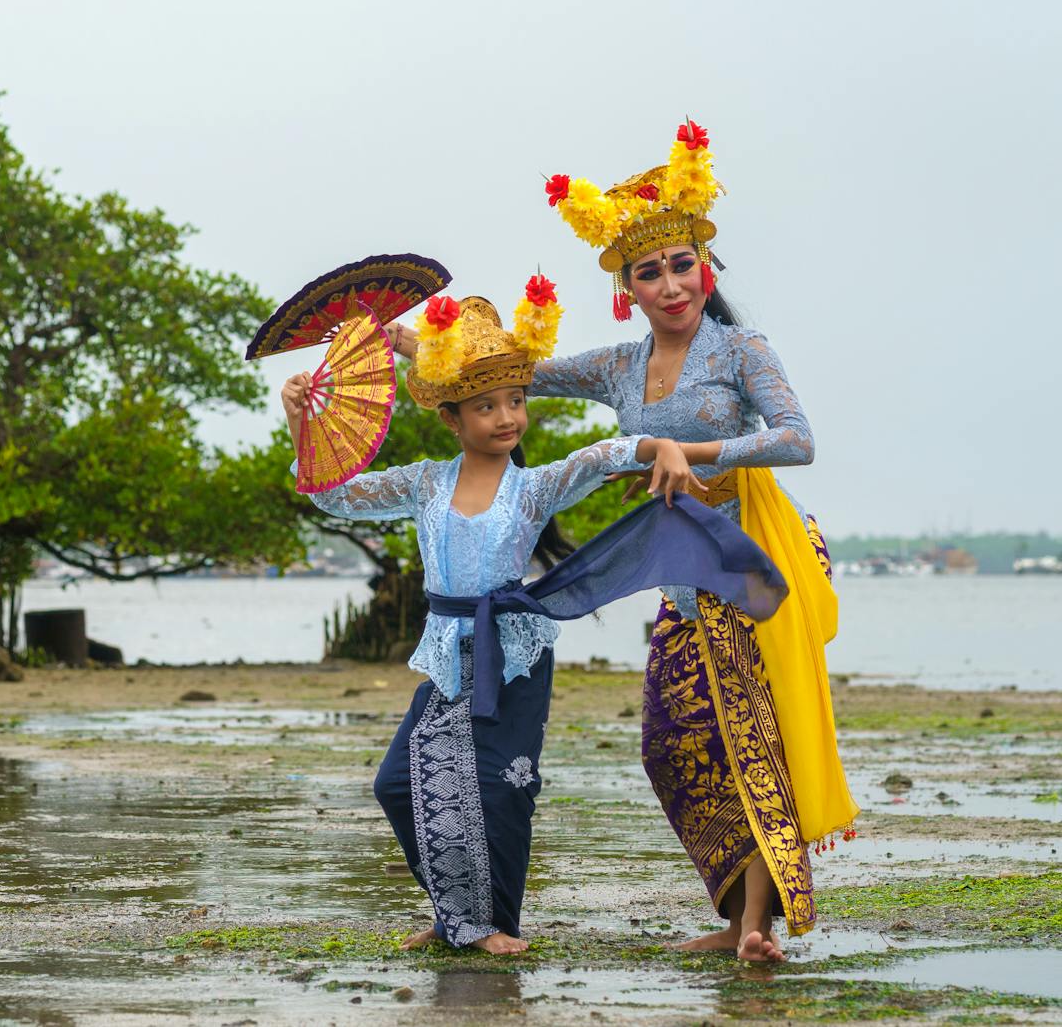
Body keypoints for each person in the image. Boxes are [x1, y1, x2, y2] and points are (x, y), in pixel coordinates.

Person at [288, 280, 783, 955]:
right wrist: (301, 421)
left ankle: (496, 924)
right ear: (452, 420)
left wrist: (658, 447)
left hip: (514, 650)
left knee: (502, 784)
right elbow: (339, 497)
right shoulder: (425, 481)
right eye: (486, 406)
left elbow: (600, 456)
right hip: (446, 650)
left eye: (516, 401)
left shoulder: (533, 485)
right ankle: (455, 911)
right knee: (401, 779)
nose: (506, 417)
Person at [470, 120, 854, 963]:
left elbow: (798, 437)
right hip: (678, 574)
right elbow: (513, 374)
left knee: (754, 736)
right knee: (674, 742)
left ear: (704, 269)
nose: (672, 283)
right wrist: (428, 349)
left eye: (683, 264)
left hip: (749, 553)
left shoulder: (740, 347)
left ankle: (751, 927)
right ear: (628, 290)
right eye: (651, 271)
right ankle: (735, 909)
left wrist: (697, 450)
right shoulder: (617, 366)